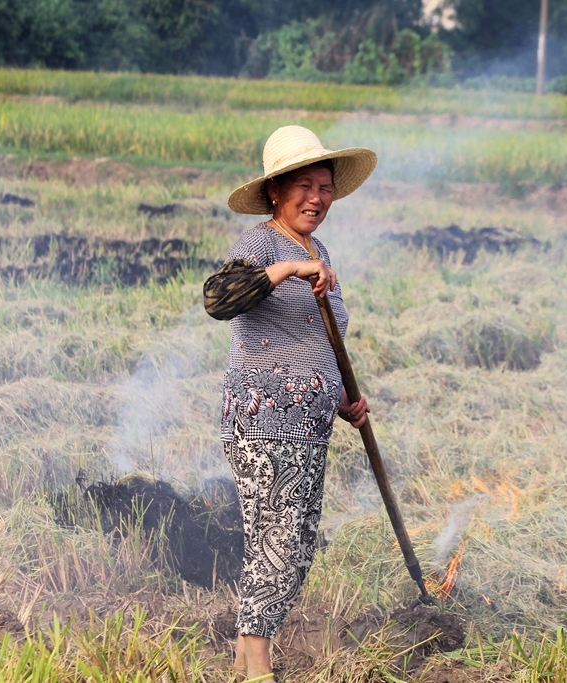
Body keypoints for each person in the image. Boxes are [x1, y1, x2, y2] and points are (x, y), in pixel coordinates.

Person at [203, 125, 376, 681]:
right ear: (276, 190)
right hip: (264, 421)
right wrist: (285, 270)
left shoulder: (319, 248)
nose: (316, 199)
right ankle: (257, 665)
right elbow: (217, 298)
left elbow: (325, 339)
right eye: (303, 186)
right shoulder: (262, 245)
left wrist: (345, 399)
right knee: (282, 543)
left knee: (290, 547)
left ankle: (247, 656)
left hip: (310, 424)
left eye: (324, 188)